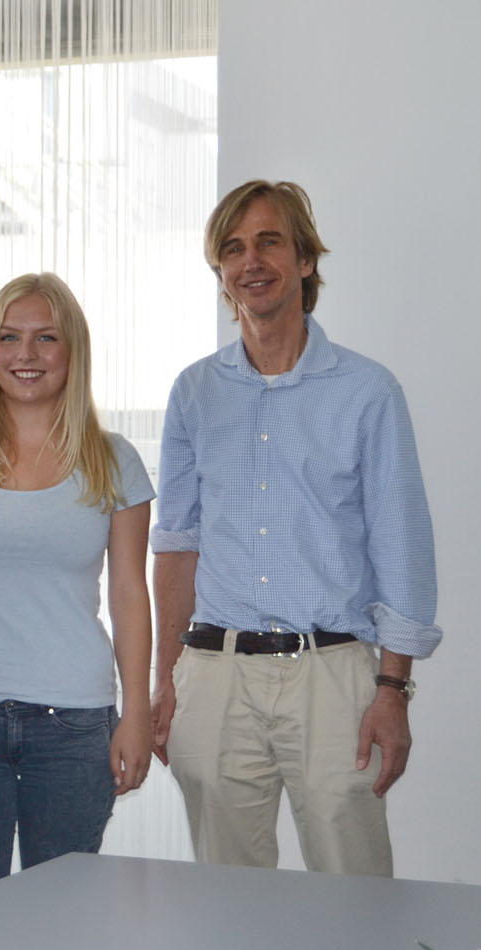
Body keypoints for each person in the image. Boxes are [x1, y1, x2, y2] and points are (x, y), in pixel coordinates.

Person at [151, 180, 441, 875]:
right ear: (220, 272)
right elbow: (177, 544)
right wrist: (167, 679)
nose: (250, 261)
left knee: (352, 899)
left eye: (268, 242)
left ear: (304, 260)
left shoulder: (367, 392)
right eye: (232, 249)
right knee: (228, 904)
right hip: (214, 675)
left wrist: (392, 690)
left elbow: (401, 546)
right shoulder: (194, 392)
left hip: (332, 676)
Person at [0, 273, 153, 900]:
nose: (25, 354)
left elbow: (131, 595)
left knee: (64, 918)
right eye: (9, 337)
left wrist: (136, 714)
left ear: (72, 351)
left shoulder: (114, 460)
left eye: (45, 338)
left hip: (75, 723)